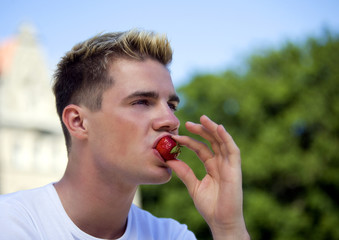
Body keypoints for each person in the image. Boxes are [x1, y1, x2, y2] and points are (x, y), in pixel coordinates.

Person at [0, 29, 250, 240]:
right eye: (142, 102)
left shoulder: (171, 235)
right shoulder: (12, 224)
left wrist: (228, 227)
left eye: (171, 106)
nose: (172, 121)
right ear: (78, 122)